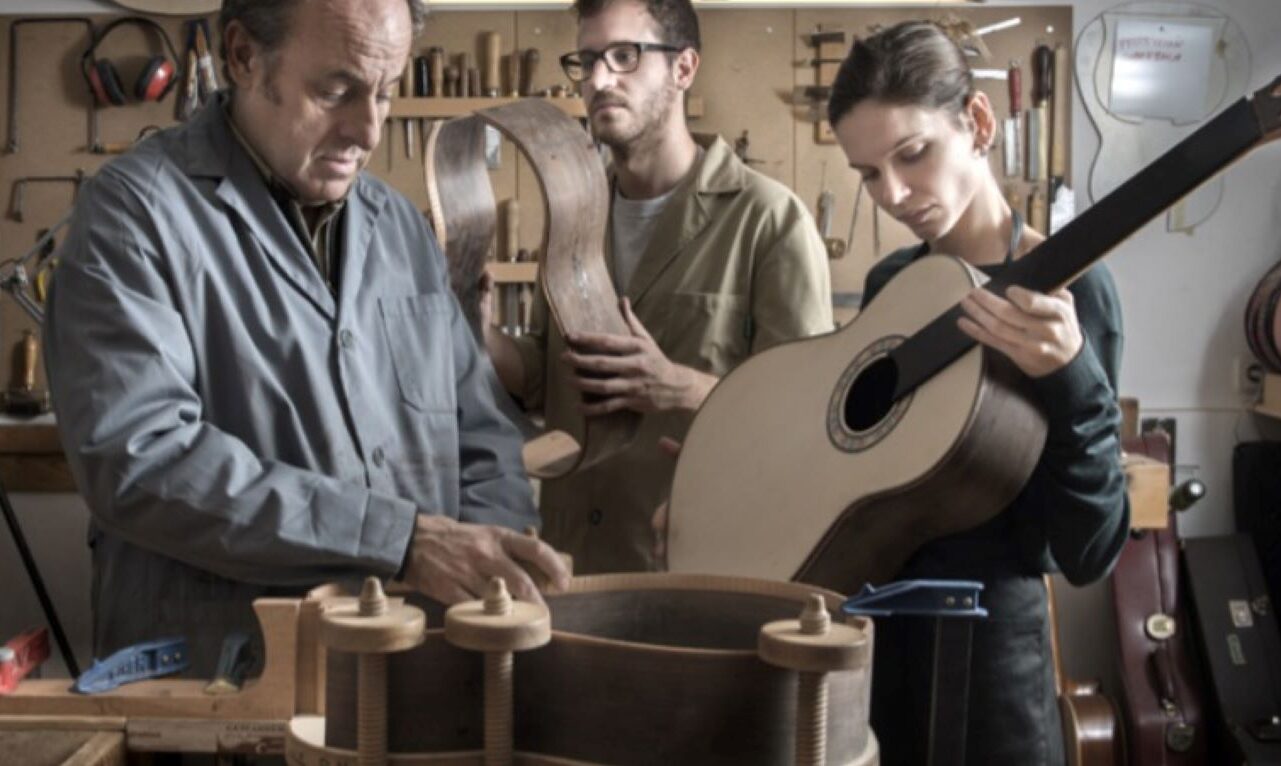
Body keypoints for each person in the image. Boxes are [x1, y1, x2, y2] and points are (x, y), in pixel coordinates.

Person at [43, 0, 568, 676]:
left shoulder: (401, 229)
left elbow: (481, 430)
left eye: (385, 91)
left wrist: (498, 565)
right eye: (336, 90)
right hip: (223, 672)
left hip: (407, 664)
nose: (368, 128)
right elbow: (138, 456)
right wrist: (399, 539)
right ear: (242, 57)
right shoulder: (135, 212)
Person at [827, 21, 1128, 765]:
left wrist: (1073, 381)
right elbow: (859, 481)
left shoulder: (1073, 288)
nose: (892, 193)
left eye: (911, 154)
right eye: (867, 173)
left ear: (978, 123)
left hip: (992, 660)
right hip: (875, 643)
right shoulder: (888, 285)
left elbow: (1087, 552)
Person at [481, 0, 833, 574]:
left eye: (624, 56)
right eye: (589, 59)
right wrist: (477, 333)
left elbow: (806, 422)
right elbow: (546, 377)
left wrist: (681, 388)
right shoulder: (573, 219)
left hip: (694, 564)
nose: (598, 79)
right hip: (571, 564)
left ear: (684, 68)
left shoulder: (769, 221)